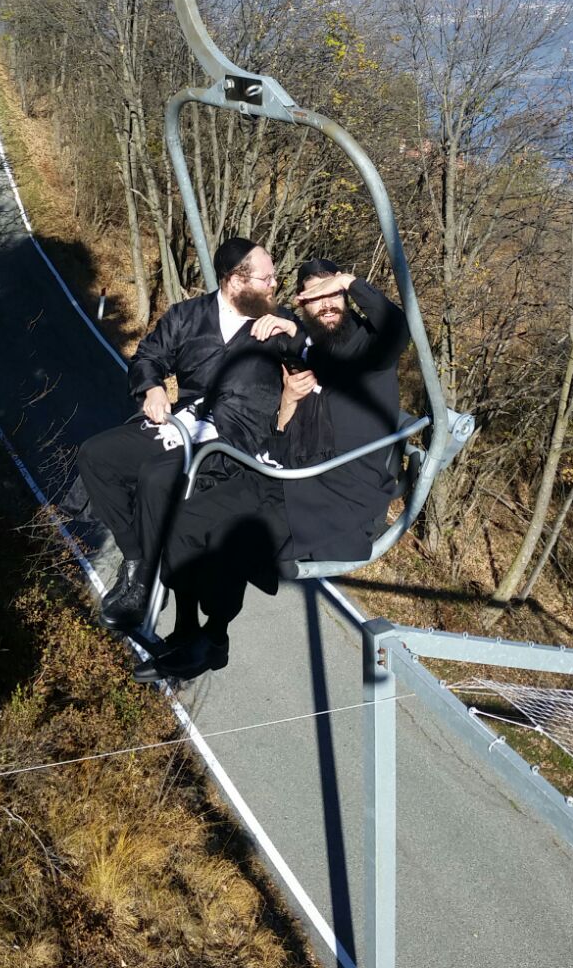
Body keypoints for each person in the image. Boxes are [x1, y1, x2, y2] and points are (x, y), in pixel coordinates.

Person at [133, 260, 409, 683]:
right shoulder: (310, 356)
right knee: (184, 517)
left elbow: (397, 327)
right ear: (304, 308)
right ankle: (185, 625)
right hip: (288, 477)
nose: (327, 304)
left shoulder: (370, 353)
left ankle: (214, 635)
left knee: (235, 536)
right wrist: (287, 406)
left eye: (333, 295)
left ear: (346, 300)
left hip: (341, 494)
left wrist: (349, 281)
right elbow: (284, 436)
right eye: (314, 299)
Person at [77, 236, 290, 630]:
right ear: (235, 280)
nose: (275, 285)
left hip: (234, 441)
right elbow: (149, 357)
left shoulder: (278, 327)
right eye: (267, 279)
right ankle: (137, 560)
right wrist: (153, 387)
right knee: (96, 454)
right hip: (185, 424)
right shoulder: (188, 317)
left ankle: (145, 591)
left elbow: (321, 354)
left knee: (157, 477)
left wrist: (294, 329)